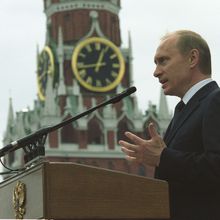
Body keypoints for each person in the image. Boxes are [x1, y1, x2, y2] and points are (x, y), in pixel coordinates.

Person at [119, 30, 220, 220]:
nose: (156, 72)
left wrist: (162, 158)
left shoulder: (215, 101)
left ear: (192, 58)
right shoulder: (184, 109)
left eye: (163, 61)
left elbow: (216, 167)